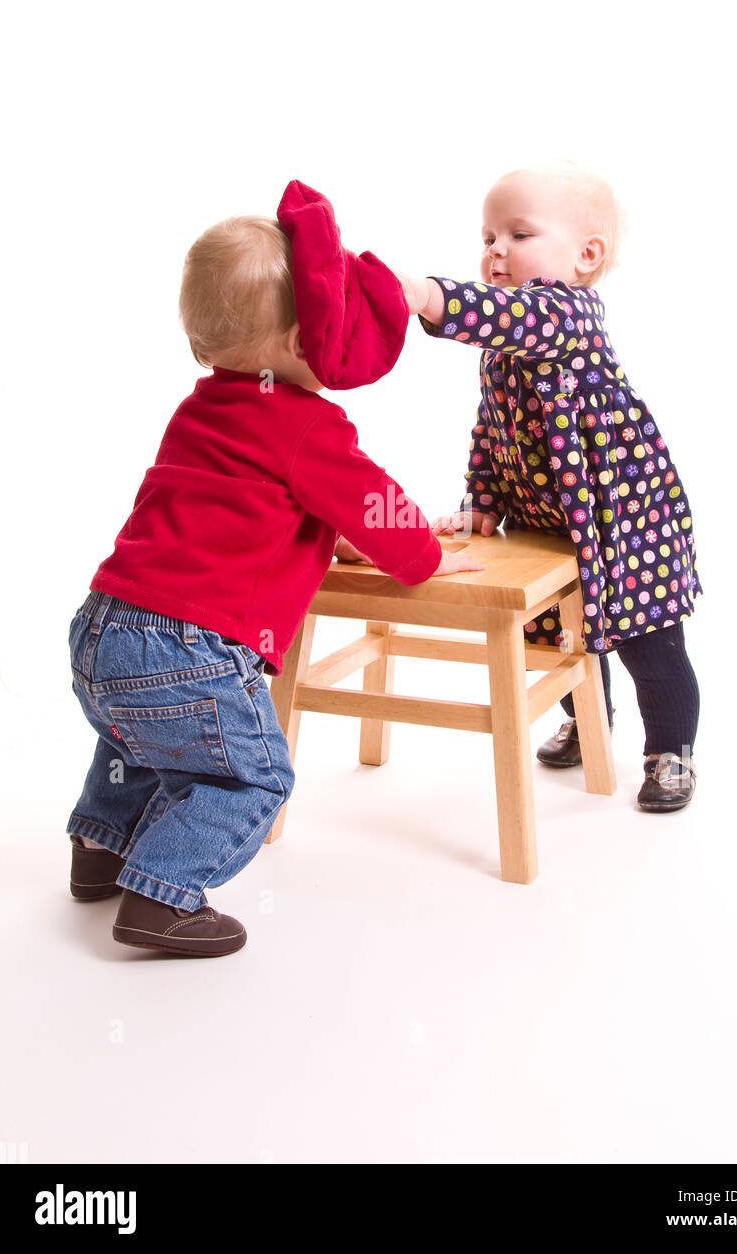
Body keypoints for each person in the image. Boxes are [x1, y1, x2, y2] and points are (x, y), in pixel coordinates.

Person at [67, 181, 481, 957]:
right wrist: (423, 553)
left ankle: (98, 847)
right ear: (304, 341)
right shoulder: (306, 425)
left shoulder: (199, 408)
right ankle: (161, 896)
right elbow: (375, 509)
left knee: (138, 741)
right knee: (251, 780)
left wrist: (332, 536)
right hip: (190, 652)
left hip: (103, 628)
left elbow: (243, 508)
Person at [396, 161, 701, 812]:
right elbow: (493, 429)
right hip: (550, 522)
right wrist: (482, 499)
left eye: (519, 233)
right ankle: (589, 720)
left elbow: (498, 314)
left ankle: (671, 751)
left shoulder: (565, 315)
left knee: (649, 644)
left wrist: (426, 294)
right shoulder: (501, 350)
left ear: (586, 256)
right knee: (562, 636)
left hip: (626, 522)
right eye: (487, 237)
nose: (496, 249)